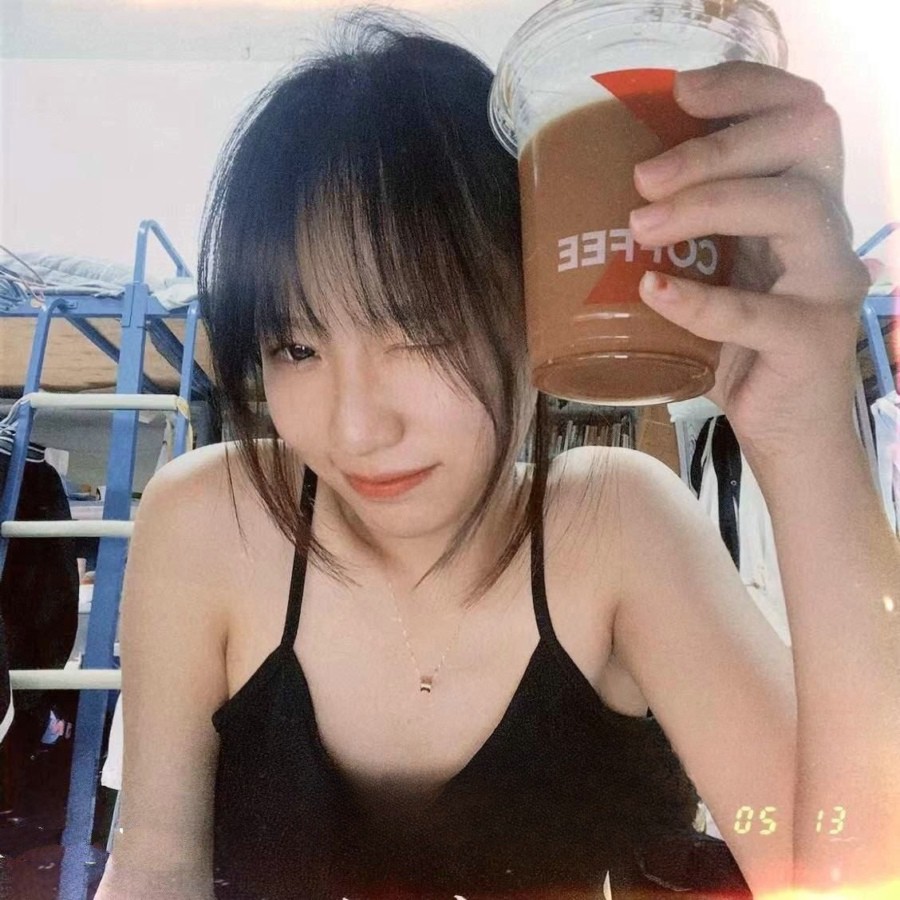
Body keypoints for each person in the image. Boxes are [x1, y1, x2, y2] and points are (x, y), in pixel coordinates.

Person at [95, 9, 900, 900]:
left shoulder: (618, 528)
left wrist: (807, 434)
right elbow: (153, 867)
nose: (356, 429)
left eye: (422, 330)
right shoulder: (207, 523)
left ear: (533, 304)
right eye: (296, 346)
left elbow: (846, 873)